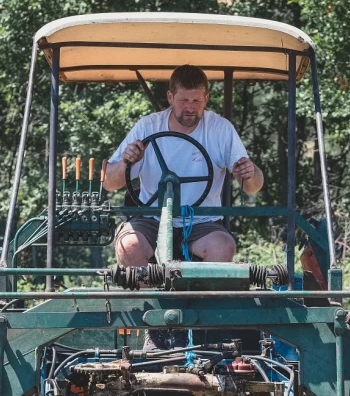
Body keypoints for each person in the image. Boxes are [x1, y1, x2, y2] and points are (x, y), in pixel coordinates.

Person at [104, 64, 264, 266]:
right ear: (170, 97)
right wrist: (126, 163)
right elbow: (109, 182)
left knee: (223, 246)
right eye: (183, 100)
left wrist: (249, 173)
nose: (190, 108)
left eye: (196, 101)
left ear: (206, 98)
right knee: (128, 246)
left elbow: (253, 187)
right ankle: (149, 288)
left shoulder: (220, 129)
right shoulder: (148, 126)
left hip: (202, 220)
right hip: (151, 218)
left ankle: (200, 288)